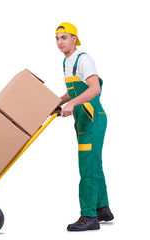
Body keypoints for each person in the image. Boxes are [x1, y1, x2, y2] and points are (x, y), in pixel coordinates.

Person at [55, 22, 114, 231]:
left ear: (74, 39)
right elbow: (74, 91)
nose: (60, 42)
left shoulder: (83, 59)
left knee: (87, 166)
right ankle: (102, 209)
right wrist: (59, 102)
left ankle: (88, 217)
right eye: (57, 38)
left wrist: (70, 104)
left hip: (92, 118)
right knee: (94, 164)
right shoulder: (67, 63)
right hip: (82, 119)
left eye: (64, 37)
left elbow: (94, 88)